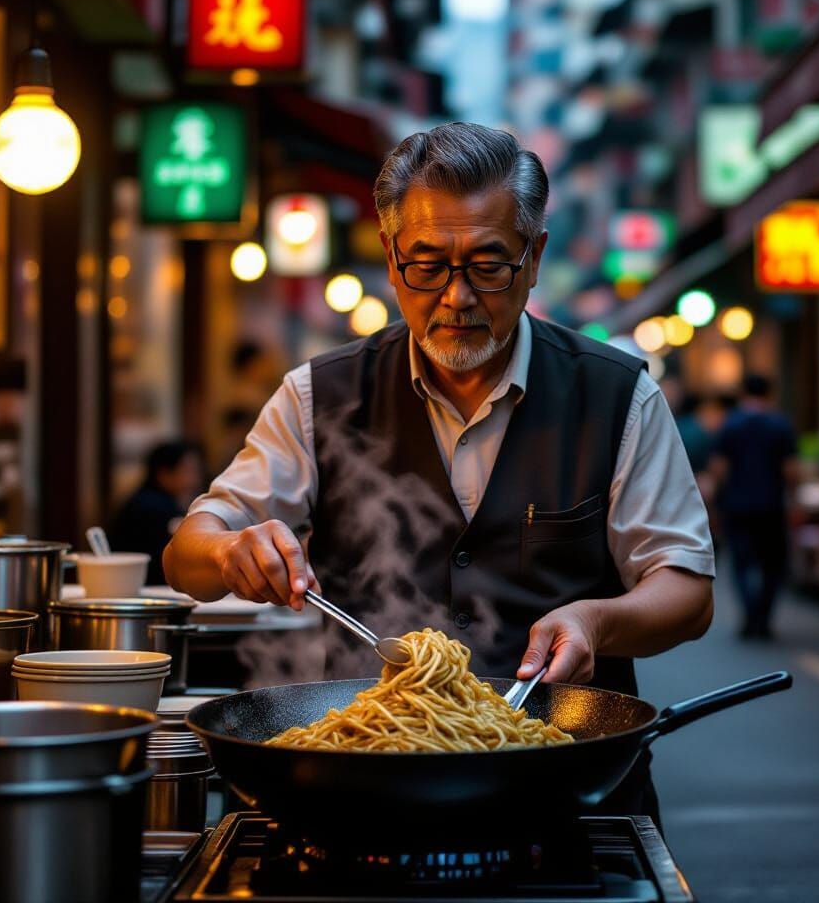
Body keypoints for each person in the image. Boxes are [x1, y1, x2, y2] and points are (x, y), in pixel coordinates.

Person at [164, 122, 714, 821]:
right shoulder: (319, 395)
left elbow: (687, 590)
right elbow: (186, 555)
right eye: (427, 265)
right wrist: (229, 548)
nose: (456, 297)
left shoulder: (617, 395)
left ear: (535, 256)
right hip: (360, 791)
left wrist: (597, 622)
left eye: (488, 266)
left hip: (566, 792)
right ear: (392, 261)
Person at [709, 374, 798, 639]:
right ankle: (763, 616)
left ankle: (750, 613)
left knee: (741, 562)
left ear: (743, 393)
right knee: (773, 564)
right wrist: (793, 499)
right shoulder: (780, 424)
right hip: (771, 505)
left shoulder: (731, 425)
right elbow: (791, 470)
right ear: (769, 394)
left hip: (737, 505)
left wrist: (715, 503)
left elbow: (718, 469)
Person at [109, 440, 204, 585]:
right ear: (164, 473)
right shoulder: (150, 506)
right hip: (137, 586)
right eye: (188, 470)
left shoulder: (160, 501)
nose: (195, 478)